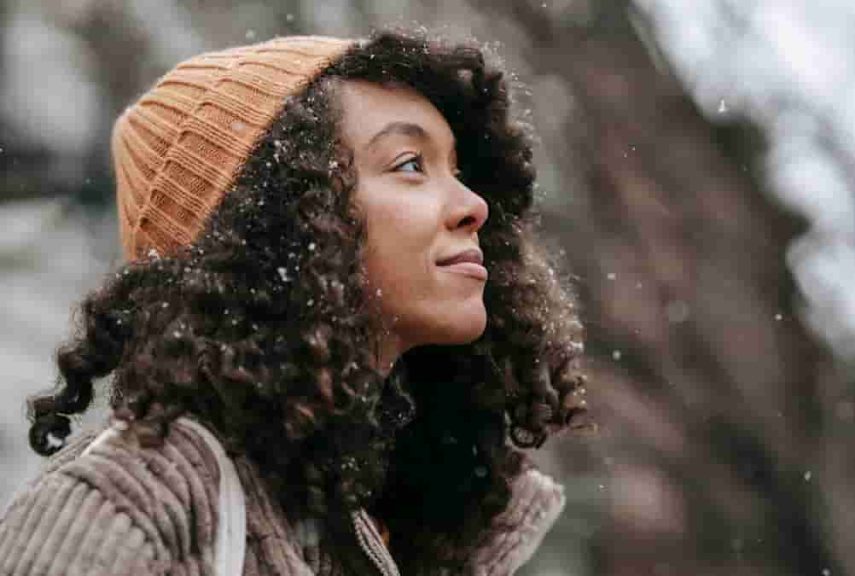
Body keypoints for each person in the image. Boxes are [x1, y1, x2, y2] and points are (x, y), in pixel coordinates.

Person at [0, 30, 588, 575]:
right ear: (282, 224)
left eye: (455, 169)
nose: (472, 205)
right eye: (410, 164)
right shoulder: (134, 501)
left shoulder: (418, 521)